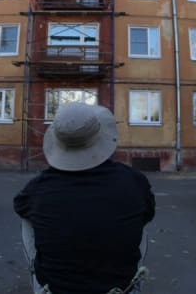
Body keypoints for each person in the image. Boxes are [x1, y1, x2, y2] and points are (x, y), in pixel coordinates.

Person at [14, 102, 156, 294]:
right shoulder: (134, 181)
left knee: (28, 216)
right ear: (101, 136)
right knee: (139, 213)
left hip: (57, 289)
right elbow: (148, 214)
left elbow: (19, 205)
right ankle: (133, 281)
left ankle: (41, 280)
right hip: (119, 288)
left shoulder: (38, 188)